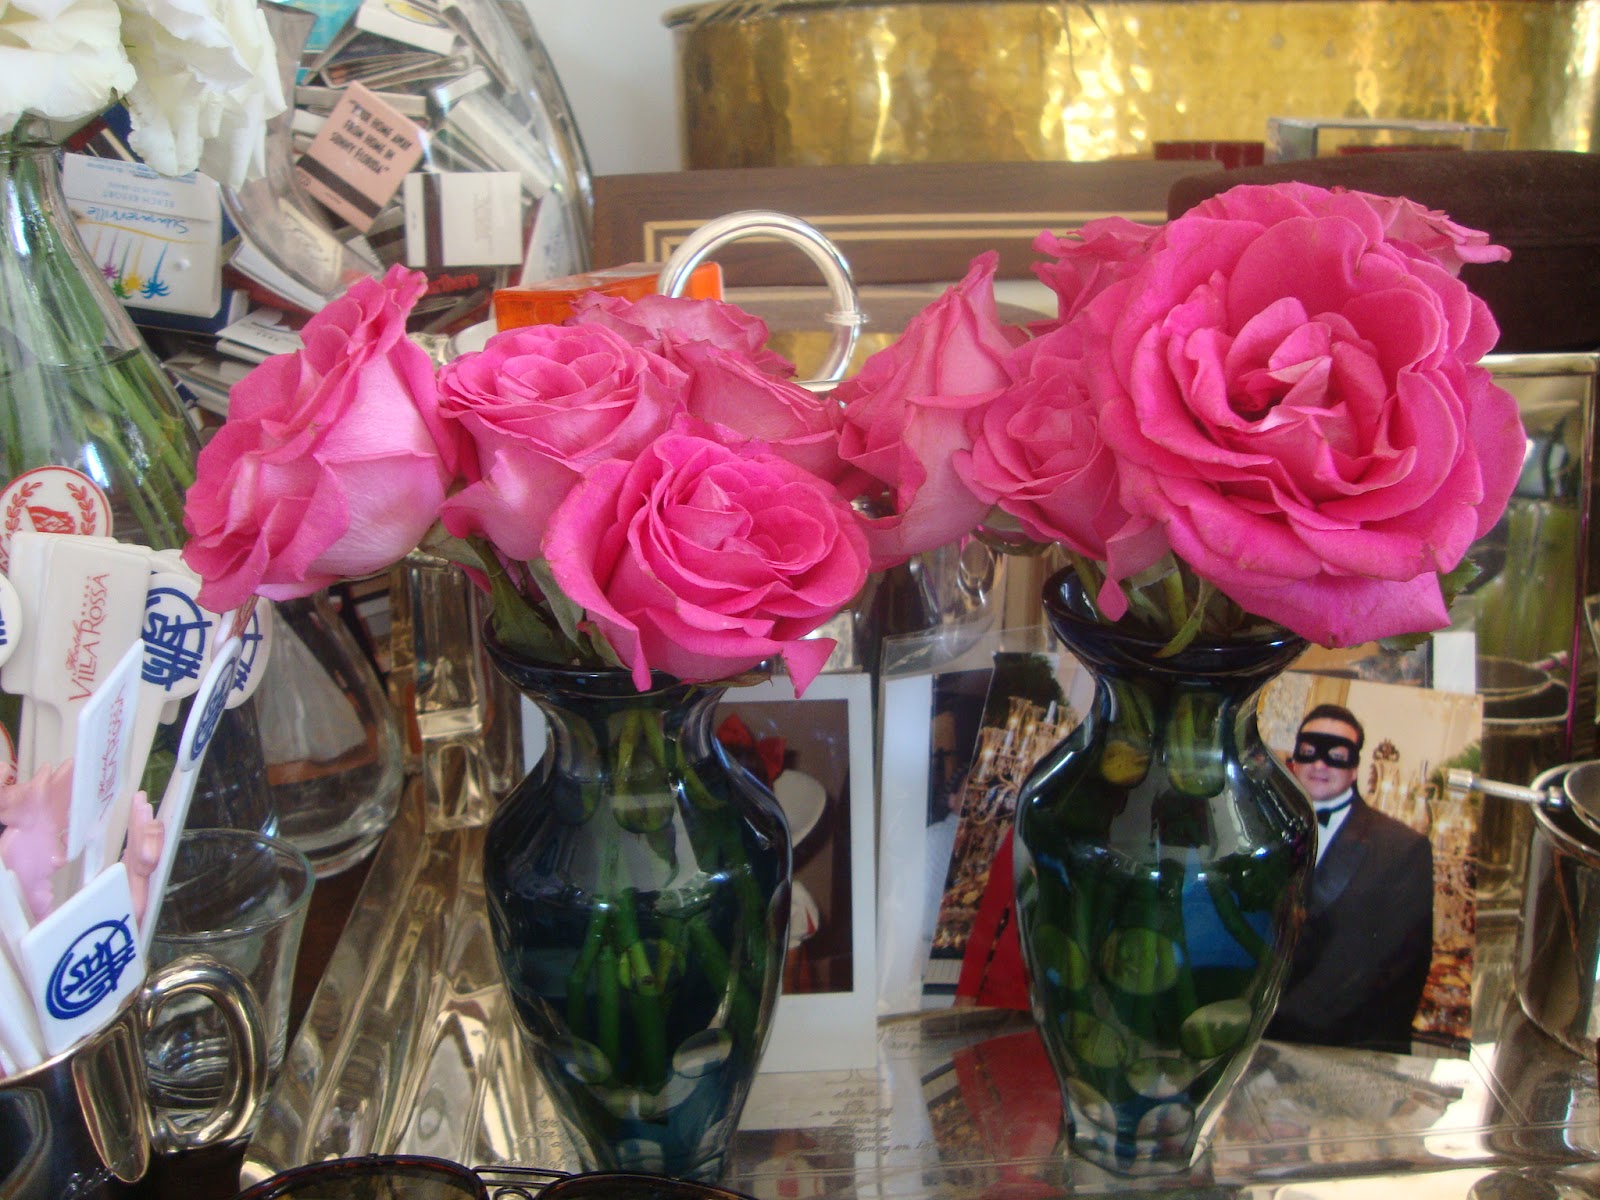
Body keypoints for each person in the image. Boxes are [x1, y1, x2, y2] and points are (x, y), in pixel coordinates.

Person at [1267, 703, 1434, 1053]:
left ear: (1355, 768)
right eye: (1309, 751)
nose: (1320, 764)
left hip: (1339, 1048)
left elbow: (1386, 969)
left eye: (1337, 756)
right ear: (1294, 759)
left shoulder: (1402, 848)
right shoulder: (1258, 828)